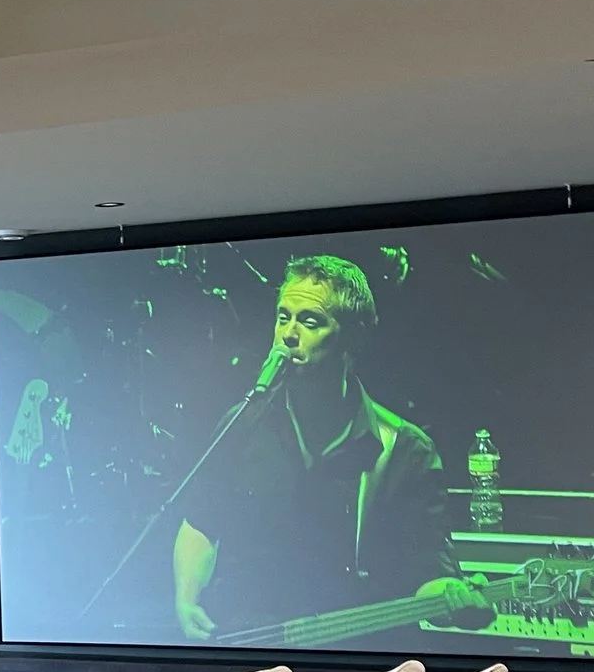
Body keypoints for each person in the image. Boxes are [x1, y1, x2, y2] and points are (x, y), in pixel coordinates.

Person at [172, 254, 482, 644]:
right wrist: (186, 598)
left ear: (354, 337)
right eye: (283, 316)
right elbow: (201, 522)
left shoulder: (404, 449)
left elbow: (427, 572)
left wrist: (453, 599)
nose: (288, 334)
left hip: (355, 660)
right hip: (251, 650)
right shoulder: (244, 423)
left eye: (310, 321)